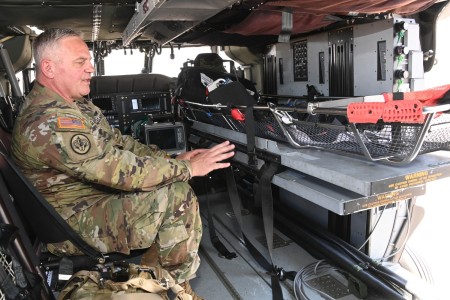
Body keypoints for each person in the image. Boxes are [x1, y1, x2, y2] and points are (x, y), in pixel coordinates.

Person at [10, 28, 235, 299]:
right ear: (49, 67)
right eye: (80, 62)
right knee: (178, 196)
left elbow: (119, 143)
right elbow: (116, 169)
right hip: (72, 222)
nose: (90, 69)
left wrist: (171, 159)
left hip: (92, 200)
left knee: (174, 187)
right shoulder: (48, 120)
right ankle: (174, 287)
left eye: (90, 61)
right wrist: (187, 169)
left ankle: (158, 281)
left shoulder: (75, 106)